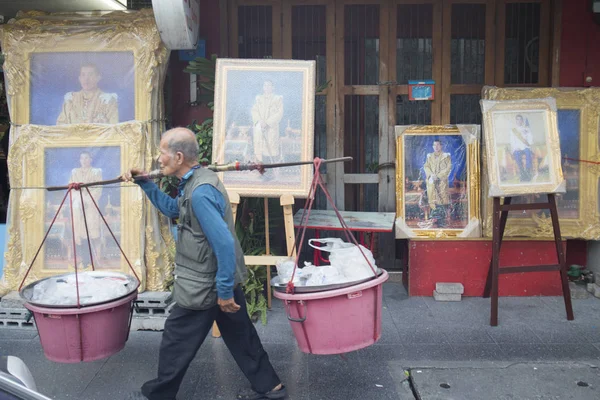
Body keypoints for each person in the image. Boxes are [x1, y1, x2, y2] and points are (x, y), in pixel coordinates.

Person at [123, 127, 286, 400]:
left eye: (161, 153)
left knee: (177, 338)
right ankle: (271, 387)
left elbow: (222, 243)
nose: (157, 158)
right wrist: (146, 183)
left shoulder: (200, 192)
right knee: (241, 334)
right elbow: (175, 209)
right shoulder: (195, 180)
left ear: (177, 156)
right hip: (217, 277)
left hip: (205, 283)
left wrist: (222, 292)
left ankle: (159, 394)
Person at [69, 151, 102, 269]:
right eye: (82, 158)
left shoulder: (96, 172)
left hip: (91, 205)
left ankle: (91, 262)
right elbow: (72, 189)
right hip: (78, 206)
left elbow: (98, 189)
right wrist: (79, 201)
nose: (84, 160)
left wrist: (87, 200)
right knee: (80, 234)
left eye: (86, 158)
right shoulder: (75, 172)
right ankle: (84, 261)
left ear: (90, 159)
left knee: (90, 233)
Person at [251, 80, 283, 163]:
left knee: (270, 149)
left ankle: (271, 172)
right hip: (260, 127)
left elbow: (279, 113)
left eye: (269, 85)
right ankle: (260, 170)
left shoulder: (278, 99)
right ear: (263, 87)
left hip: (271, 128)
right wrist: (259, 121)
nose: (267, 87)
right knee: (260, 150)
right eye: (265, 85)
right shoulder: (258, 98)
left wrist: (267, 122)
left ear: (273, 87)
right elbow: (254, 111)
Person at [422, 139, 451, 227]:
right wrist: (431, 175)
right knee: (433, 199)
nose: (436, 147)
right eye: (434, 145)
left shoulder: (446, 156)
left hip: (442, 182)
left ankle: (442, 220)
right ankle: (434, 219)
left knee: (442, 199)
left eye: (438, 145)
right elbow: (426, 167)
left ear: (441, 146)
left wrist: (438, 176)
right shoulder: (429, 156)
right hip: (432, 181)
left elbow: (448, 168)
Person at [510, 114, 535, 182]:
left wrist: (529, 144)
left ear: (522, 121)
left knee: (528, 152)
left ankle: (527, 171)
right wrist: (515, 148)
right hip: (517, 148)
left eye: (520, 119)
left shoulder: (526, 129)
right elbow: (512, 141)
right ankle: (522, 173)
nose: (519, 121)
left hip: (525, 147)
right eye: (517, 119)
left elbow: (530, 138)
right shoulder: (513, 130)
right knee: (517, 154)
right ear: (516, 121)